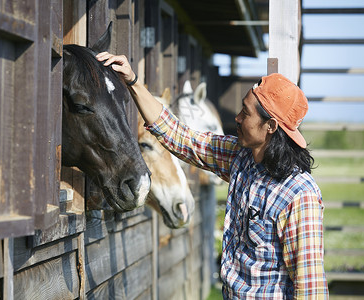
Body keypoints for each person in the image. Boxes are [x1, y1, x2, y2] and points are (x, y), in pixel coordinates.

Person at [96, 52, 328, 299]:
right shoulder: (241, 158)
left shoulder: (299, 196)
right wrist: (132, 81)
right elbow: (180, 137)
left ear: (270, 126)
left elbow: (310, 288)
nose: (237, 118)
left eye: (246, 113)